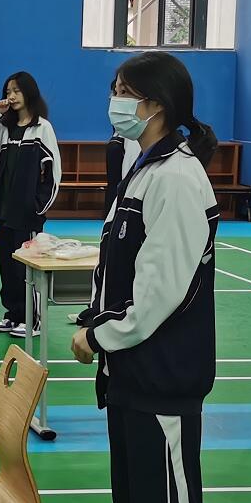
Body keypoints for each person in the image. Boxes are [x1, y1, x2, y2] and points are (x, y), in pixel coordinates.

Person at [71, 51, 218, 503]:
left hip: (162, 382)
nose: (114, 100)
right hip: (130, 380)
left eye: (123, 90)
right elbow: (119, 266)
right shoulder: (143, 169)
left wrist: (99, 336)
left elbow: (160, 293)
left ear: (155, 104)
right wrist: (96, 319)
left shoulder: (177, 178)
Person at [0, 71, 61, 338]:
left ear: (29, 93)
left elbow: (53, 173)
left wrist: (38, 207)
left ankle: (33, 320)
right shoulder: (4, 130)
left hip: (28, 215)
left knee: (26, 269)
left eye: (16, 91)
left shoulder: (42, 129)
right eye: (8, 91)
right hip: (5, 212)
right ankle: (13, 314)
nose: (11, 96)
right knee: (8, 268)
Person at [74, 79, 141, 326]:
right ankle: (98, 308)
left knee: (121, 264)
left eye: (124, 92)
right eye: (115, 92)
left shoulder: (136, 137)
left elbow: (133, 177)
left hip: (127, 208)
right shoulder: (120, 131)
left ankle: (111, 314)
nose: (116, 98)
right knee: (106, 261)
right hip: (114, 203)